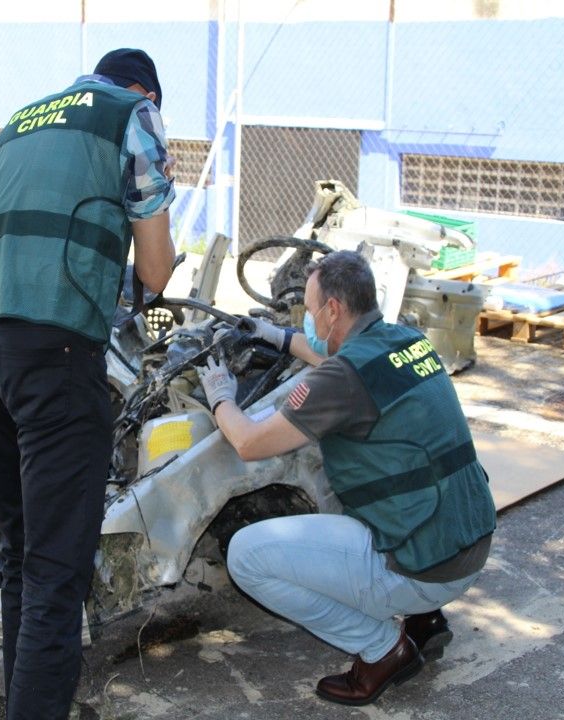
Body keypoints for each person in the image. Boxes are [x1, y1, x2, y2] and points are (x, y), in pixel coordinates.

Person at [0, 49, 176, 720]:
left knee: (24, 557)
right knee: (58, 572)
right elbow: (158, 272)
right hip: (57, 349)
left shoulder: (19, 123)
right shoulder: (133, 115)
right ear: (143, 89)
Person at [199, 250, 496, 706]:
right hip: (466, 542)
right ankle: (425, 620)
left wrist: (221, 399)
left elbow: (250, 442)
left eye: (311, 309)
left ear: (333, 309)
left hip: (427, 569)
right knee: (369, 476)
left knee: (246, 556)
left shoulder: (343, 379)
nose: (308, 320)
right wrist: (276, 336)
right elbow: (331, 358)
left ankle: (381, 650)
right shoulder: (405, 341)